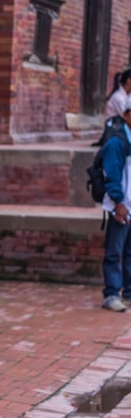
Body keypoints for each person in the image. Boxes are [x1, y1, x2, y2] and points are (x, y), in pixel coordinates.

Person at [101, 99, 131, 311]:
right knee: (115, 251)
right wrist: (119, 202)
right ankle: (112, 293)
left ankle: (128, 292)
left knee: (129, 251)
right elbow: (111, 175)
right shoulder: (116, 142)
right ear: (127, 115)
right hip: (120, 206)